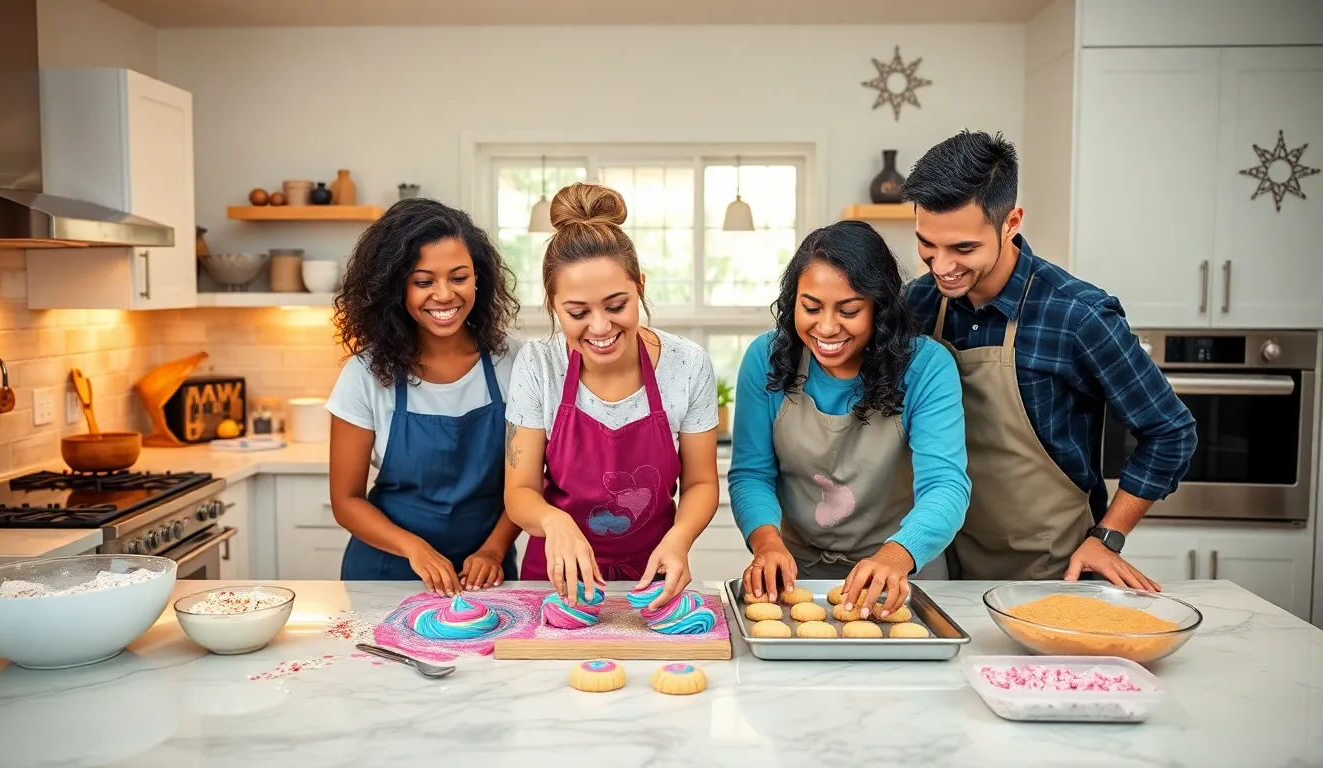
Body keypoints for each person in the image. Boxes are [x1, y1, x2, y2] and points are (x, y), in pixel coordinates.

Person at [901, 130, 1197, 588]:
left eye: (963, 248)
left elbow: (1170, 431)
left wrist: (1109, 536)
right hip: (937, 565)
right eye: (927, 244)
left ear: (1011, 222)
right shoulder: (917, 305)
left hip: (1053, 574)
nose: (940, 266)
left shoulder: (1076, 315)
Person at [728, 221, 970, 618]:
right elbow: (752, 474)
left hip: (901, 574)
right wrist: (767, 543)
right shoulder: (766, 359)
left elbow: (945, 485)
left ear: (879, 306)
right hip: (797, 576)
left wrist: (897, 554)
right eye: (810, 308)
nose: (826, 327)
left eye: (849, 310)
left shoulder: (926, 366)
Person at [504, 182, 720, 612]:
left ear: (639, 286)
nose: (600, 327)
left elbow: (700, 482)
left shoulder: (687, 364)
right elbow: (519, 492)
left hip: (652, 574)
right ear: (553, 305)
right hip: (554, 578)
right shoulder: (538, 364)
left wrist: (679, 538)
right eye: (578, 312)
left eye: (616, 305)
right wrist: (553, 520)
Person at [326, 198, 524, 593]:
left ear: (479, 278)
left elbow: (530, 481)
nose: (444, 295)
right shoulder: (364, 375)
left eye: (458, 277)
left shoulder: (516, 363)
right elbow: (346, 501)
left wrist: (494, 549)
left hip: (485, 575)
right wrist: (414, 549)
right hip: (386, 572)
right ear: (394, 288)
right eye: (423, 281)